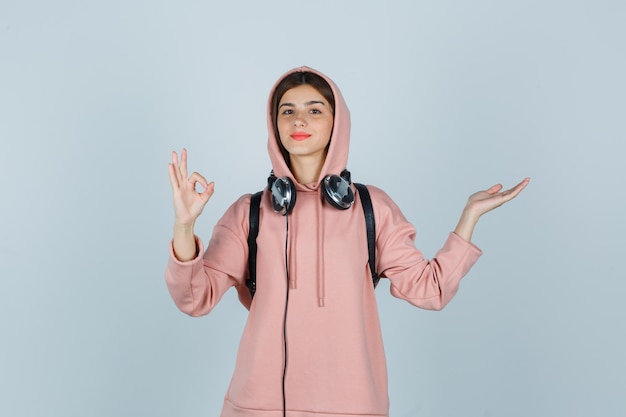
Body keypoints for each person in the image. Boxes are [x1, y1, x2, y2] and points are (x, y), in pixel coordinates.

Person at [165, 66, 529, 417]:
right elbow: (195, 298)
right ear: (274, 124)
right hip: (258, 407)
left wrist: (469, 217)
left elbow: (430, 290)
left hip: (353, 406)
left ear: (338, 123)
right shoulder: (250, 212)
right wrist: (184, 225)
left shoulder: (374, 209)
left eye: (314, 109)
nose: (299, 120)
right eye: (287, 110)